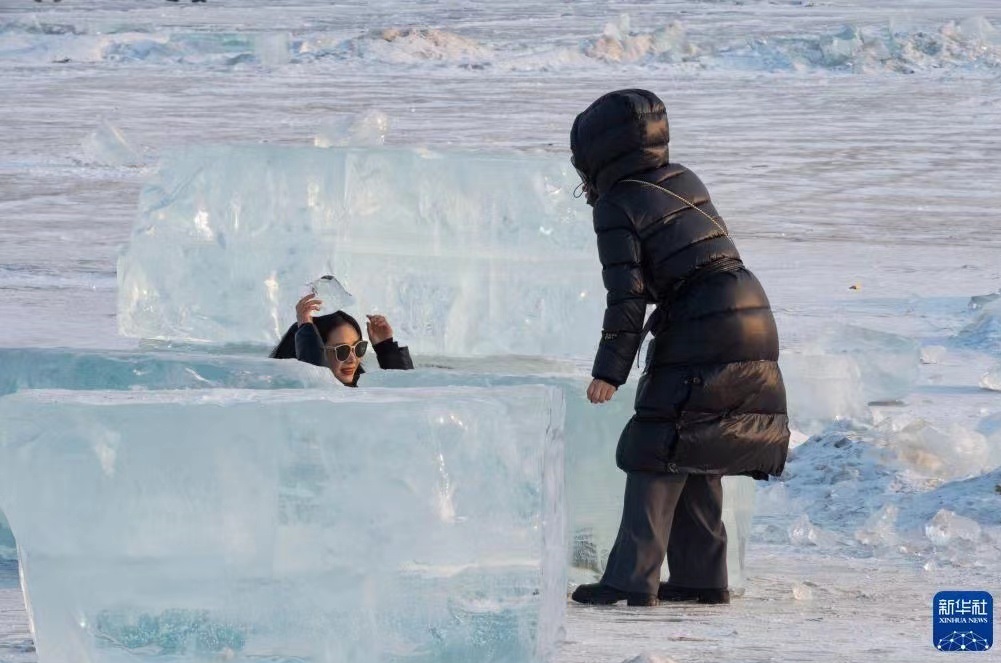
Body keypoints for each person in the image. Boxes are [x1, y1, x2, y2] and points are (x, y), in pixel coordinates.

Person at [568, 89, 790, 607]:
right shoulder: (684, 177)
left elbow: (627, 295)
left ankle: (629, 582)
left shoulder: (618, 202)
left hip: (703, 319)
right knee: (695, 444)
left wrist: (610, 371)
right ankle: (702, 577)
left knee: (656, 447)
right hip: (750, 308)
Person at [270, 294, 413, 386]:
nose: (352, 359)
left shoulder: (362, 392)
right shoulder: (282, 393)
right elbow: (317, 385)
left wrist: (386, 347)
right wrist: (306, 327)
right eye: (342, 350)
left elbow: (407, 397)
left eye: (358, 348)